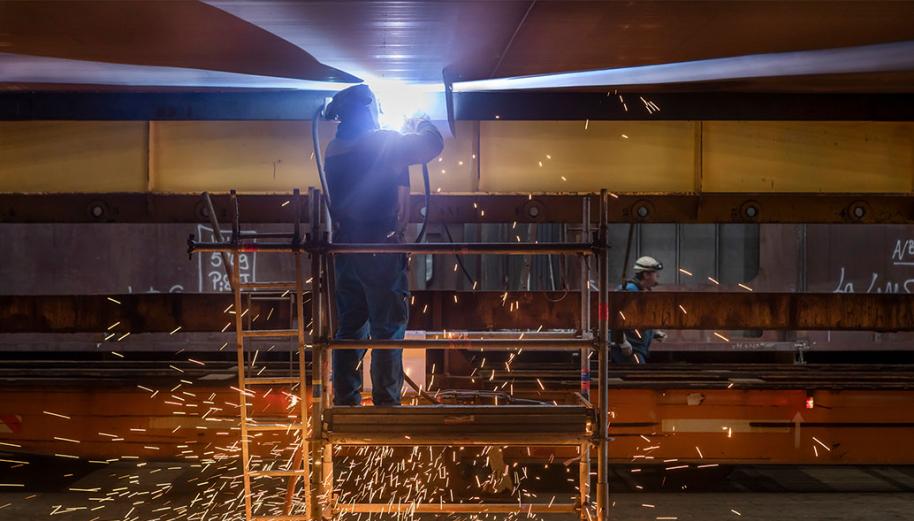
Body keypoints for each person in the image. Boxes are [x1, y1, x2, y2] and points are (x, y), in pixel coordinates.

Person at [323, 84, 444, 406]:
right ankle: (387, 405)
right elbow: (431, 146)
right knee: (387, 327)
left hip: (347, 247)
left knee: (351, 326)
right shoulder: (379, 141)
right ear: (367, 111)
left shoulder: (335, 147)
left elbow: (383, 171)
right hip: (378, 246)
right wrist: (421, 120)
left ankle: (345, 400)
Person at [611, 256, 667, 364]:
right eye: (655, 273)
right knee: (638, 375)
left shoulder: (639, 291)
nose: (658, 276)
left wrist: (653, 333)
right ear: (646, 274)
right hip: (629, 350)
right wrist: (621, 341)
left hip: (636, 348)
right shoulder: (630, 291)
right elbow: (615, 317)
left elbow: (635, 320)